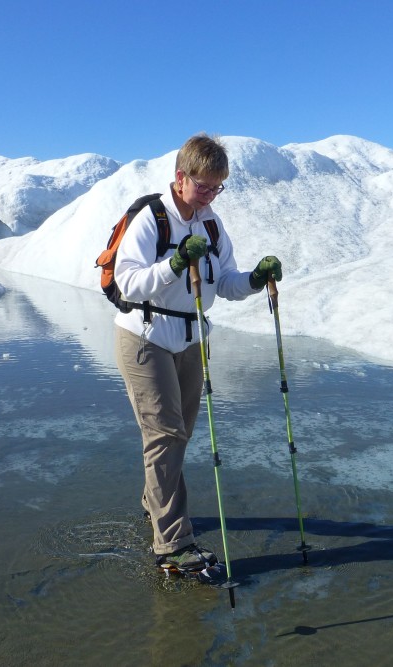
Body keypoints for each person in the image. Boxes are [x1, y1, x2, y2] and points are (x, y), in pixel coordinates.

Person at [113, 133, 282, 572]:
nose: (209, 195)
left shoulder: (211, 224)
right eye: (204, 185)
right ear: (180, 177)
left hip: (190, 340)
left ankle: (156, 504)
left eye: (217, 187)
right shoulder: (152, 219)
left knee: (178, 436)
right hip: (144, 337)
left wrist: (253, 279)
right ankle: (173, 543)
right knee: (165, 435)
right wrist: (172, 265)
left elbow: (223, 282)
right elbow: (127, 282)